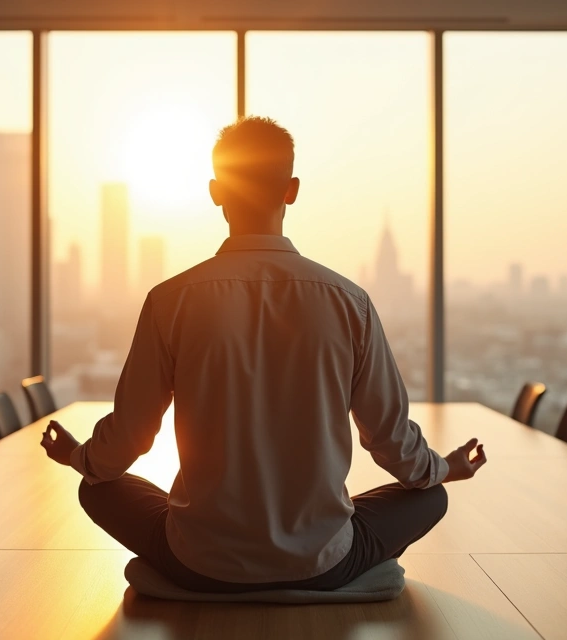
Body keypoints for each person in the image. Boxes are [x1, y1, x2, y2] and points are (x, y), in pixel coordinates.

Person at [41, 116, 487, 593]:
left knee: (97, 487)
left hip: (199, 561)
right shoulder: (348, 301)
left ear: (216, 191)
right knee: (430, 497)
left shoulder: (170, 299)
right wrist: (445, 467)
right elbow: (391, 440)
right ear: (292, 190)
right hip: (322, 562)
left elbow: (128, 438)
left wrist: (78, 456)